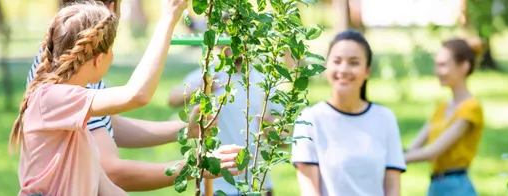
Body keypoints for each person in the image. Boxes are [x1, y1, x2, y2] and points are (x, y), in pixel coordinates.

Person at [15, 0, 246, 195]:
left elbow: (106, 185)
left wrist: (186, 131)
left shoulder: (77, 120)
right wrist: (168, 18)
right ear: (98, 58)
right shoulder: (51, 97)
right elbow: (137, 94)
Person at [290, 29, 405, 196]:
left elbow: (393, 188)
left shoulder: (385, 118)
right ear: (327, 66)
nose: (343, 69)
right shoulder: (309, 120)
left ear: (367, 71)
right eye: (337, 61)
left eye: (354, 62)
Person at [168, 37, 283, 196]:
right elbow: (173, 98)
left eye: (236, 37)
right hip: (214, 185)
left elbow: (283, 138)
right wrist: (203, 88)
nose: (231, 44)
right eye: (226, 37)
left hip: (257, 184)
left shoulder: (265, 80)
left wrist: (271, 128)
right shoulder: (210, 74)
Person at [404, 38, 484, 196]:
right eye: (437, 64)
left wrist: (390, 161)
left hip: (457, 189)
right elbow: (414, 147)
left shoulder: (471, 108)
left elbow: (433, 152)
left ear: (464, 67)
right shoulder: (442, 107)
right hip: (435, 187)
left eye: (443, 65)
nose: (436, 71)